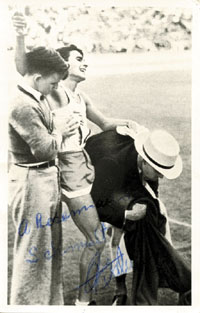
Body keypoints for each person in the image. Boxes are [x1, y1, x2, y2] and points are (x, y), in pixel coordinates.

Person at [11, 12, 140, 305]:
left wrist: (133, 125)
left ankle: (118, 286)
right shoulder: (54, 93)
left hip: (86, 164)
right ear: (64, 65)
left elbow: (106, 123)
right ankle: (84, 303)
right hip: (68, 171)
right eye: (78, 57)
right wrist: (19, 35)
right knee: (95, 239)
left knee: (120, 218)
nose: (85, 62)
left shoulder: (83, 98)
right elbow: (23, 68)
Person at [85, 127, 191, 305]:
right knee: (116, 234)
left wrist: (152, 212)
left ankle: (170, 274)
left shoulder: (154, 153)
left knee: (156, 214)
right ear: (144, 161)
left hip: (127, 177)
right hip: (97, 181)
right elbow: (94, 203)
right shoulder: (111, 163)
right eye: (158, 172)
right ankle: (121, 289)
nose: (161, 177)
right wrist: (126, 214)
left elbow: (151, 186)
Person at [8, 46, 70, 305]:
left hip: (43, 179)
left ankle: (49, 306)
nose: (55, 88)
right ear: (37, 78)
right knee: (33, 252)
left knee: (49, 250)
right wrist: (62, 130)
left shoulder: (36, 97)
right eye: (53, 82)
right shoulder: (22, 105)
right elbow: (44, 150)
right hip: (31, 180)